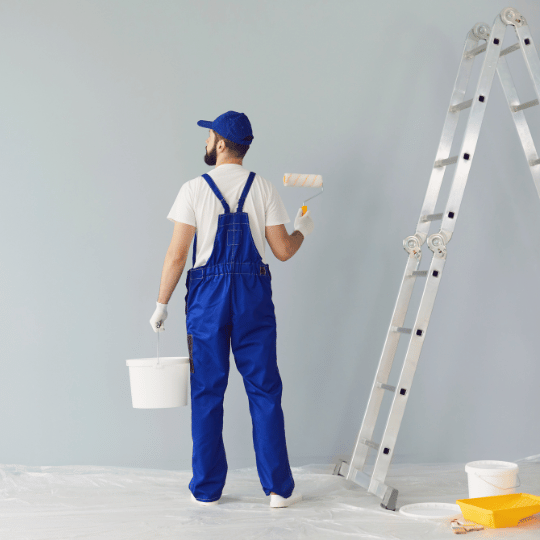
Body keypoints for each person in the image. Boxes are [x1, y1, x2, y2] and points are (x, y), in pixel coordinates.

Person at [149, 110, 314, 508]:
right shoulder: (264, 188)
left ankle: (206, 490)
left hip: (207, 298)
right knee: (264, 391)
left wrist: (161, 304)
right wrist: (303, 229)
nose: (206, 142)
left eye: (209, 136)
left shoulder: (192, 189)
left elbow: (176, 256)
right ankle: (278, 490)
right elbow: (283, 251)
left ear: (221, 143)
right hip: (253, 293)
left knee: (207, 391)